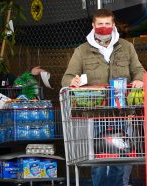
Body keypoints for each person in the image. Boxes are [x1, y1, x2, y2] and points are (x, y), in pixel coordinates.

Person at [61, 9, 145, 186]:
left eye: (108, 24)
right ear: (93, 25)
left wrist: (138, 80)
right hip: (94, 115)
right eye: (100, 24)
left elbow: (138, 70)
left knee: (120, 160)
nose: (104, 27)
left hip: (122, 113)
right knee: (98, 161)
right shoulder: (82, 51)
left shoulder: (126, 47)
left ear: (113, 25)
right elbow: (66, 78)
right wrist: (73, 81)